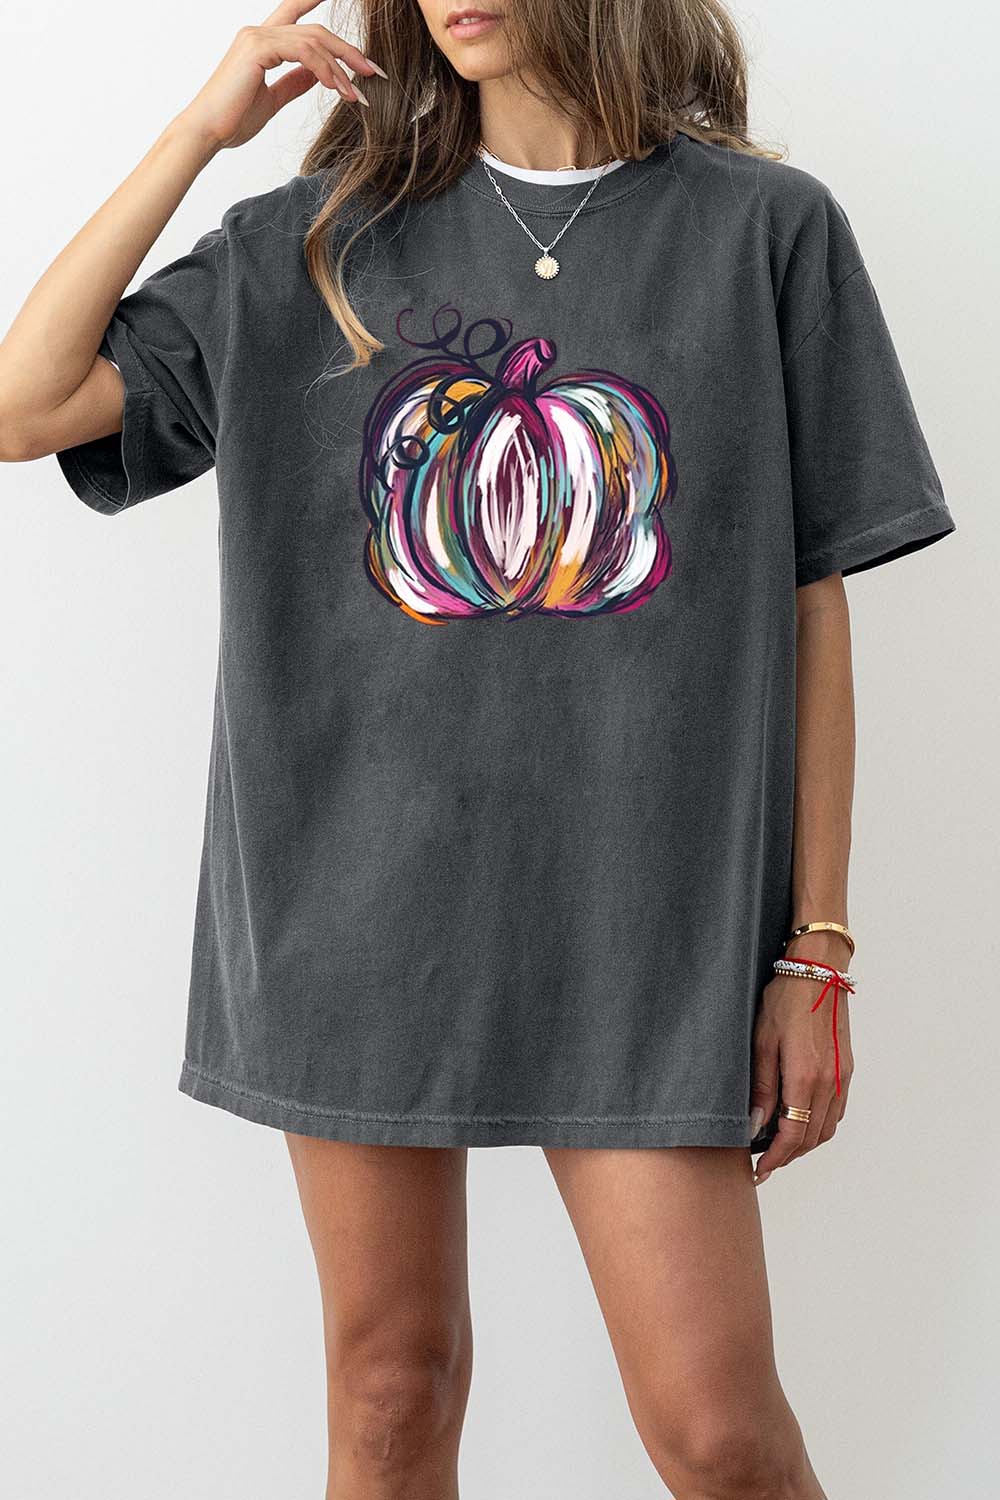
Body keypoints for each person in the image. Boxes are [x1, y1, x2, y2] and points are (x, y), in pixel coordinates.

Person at [0, 1, 956, 1496]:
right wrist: (199, 133)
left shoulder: (763, 231)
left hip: (646, 928)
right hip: (354, 910)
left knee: (717, 1432)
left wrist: (816, 945)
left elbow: (810, 599)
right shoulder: (310, 243)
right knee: (393, 1392)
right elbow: (24, 404)